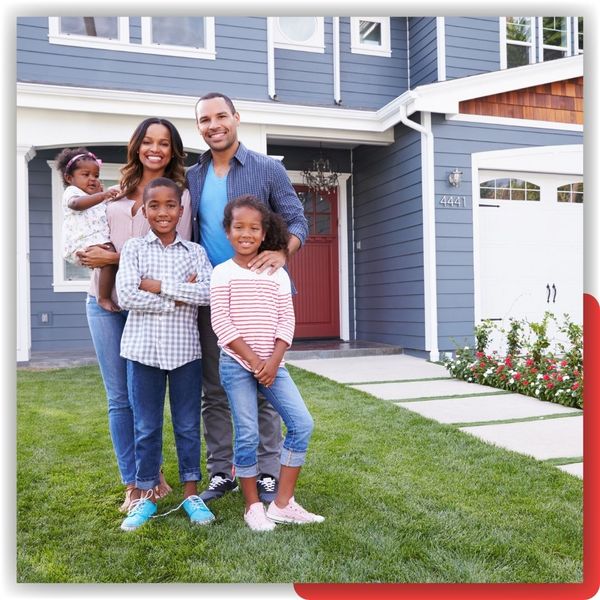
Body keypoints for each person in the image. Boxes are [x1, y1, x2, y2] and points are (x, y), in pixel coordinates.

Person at [186, 92, 309, 504]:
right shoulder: (193, 175)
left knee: (266, 386)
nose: (213, 124)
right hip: (216, 296)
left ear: (236, 118)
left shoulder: (267, 169)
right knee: (216, 389)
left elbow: (297, 220)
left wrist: (282, 251)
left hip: (263, 295)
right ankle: (222, 472)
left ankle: (268, 472)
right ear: (199, 126)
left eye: (221, 115)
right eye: (205, 119)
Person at [77, 117, 193, 513]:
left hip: (150, 309)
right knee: (118, 398)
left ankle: (151, 472)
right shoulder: (112, 192)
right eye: (147, 141)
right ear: (137, 146)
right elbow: (88, 241)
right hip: (105, 303)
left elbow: (176, 258)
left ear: (173, 150)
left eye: (163, 143)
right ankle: (136, 480)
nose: (154, 149)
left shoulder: (181, 197)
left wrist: (113, 256)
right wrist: (91, 254)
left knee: (147, 397)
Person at [210, 195, 324, 531]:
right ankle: (252, 506)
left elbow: (286, 321)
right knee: (247, 433)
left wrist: (273, 362)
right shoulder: (222, 273)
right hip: (236, 364)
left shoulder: (277, 273)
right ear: (227, 232)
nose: (246, 233)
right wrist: (255, 361)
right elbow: (222, 324)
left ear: (263, 234)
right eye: (238, 227)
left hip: (274, 365)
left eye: (253, 228)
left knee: (301, 424)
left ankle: (283, 504)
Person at [116, 178, 214, 532]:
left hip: (185, 352)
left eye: (170, 205)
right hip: (142, 352)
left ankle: (191, 493)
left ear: (181, 209)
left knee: (188, 425)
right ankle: (145, 495)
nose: (162, 212)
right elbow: (126, 295)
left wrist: (157, 286)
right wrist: (178, 294)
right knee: (146, 426)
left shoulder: (195, 253)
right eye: (154, 206)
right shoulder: (133, 250)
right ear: (144, 210)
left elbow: (205, 294)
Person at [56, 148, 122, 313]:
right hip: (81, 241)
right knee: (109, 254)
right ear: (69, 178)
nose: (92, 179)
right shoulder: (72, 192)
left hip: (94, 240)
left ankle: (105, 294)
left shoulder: (95, 197)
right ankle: (103, 297)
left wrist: (105, 195)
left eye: (96, 176)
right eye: (86, 175)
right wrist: (102, 195)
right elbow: (76, 204)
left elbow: (106, 207)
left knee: (108, 257)